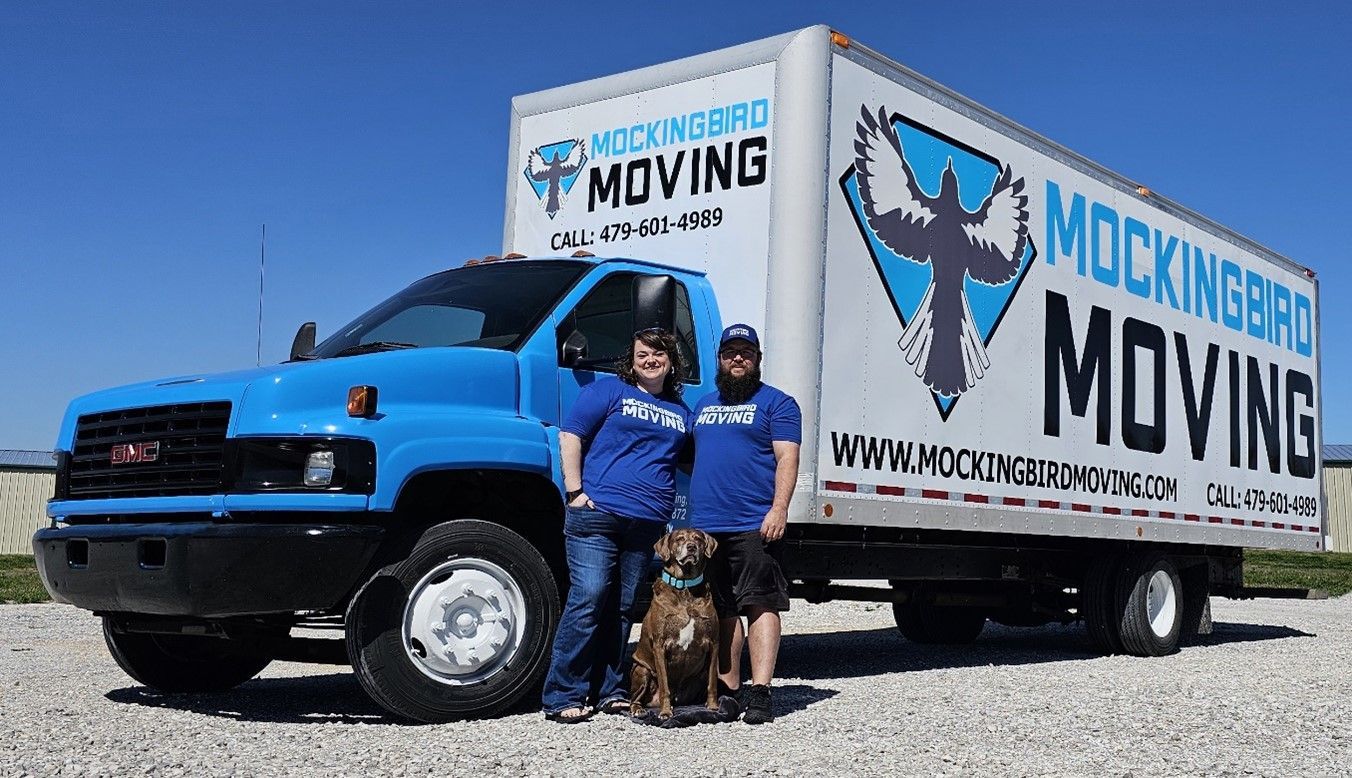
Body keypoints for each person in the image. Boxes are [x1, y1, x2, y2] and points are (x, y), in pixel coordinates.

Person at [541, 328, 691, 723]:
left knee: (623, 608)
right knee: (589, 598)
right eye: (643, 353)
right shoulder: (608, 392)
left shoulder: (680, 410)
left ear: (671, 362)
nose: (650, 360)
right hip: (597, 516)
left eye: (659, 354)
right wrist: (575, 492)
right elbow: (570, 436)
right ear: (632, 358)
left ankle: (610, 690)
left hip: (646, 525)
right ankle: (563, 694)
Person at [689, 324, 801, 725]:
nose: (738, 357)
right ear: (719, 359)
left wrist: (779, 509)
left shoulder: (778, 403)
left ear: (757, 359)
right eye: (730, 351)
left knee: (761, 602)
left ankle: (762, 693)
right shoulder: (702, 406)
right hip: (706, 528)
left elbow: (787, 458)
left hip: (755, 522)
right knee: (722, 609)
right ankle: (729, 692)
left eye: (746, 352)